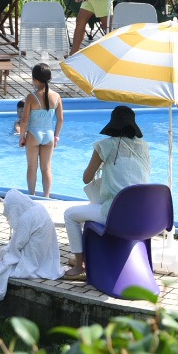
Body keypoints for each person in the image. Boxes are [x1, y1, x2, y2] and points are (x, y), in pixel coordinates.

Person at [61, 105, 151, 281]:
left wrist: (102, 162)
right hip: (142, 215)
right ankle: (89, 256)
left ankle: (80, 265)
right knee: (92, 207)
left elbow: (86, 178)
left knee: (70, 215)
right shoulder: (144, 147)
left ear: (113, 124)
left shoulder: (105, 146)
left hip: (116, 214)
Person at [20, 63, 65, 197]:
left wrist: (22, 137)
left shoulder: (31, 97)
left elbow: (24, 120)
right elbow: (60, 119)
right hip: (49, 135)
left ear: (35, 79)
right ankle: (46, 197)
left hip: (33, 134)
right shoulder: (57, 96)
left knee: (32, 168)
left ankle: (32, 196)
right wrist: (56, 137)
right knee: (46, 168)